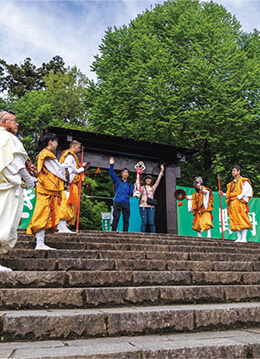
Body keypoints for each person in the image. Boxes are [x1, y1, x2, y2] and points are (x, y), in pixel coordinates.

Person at [0, 110, 37, 271]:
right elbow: (14, 164)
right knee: (3, 223)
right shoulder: (7, 138)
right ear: (4, 122)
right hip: (7, 187)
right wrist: (29, 180)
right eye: (14, 121)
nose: (17, 124)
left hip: (4, 185)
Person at [27, 133, 68, 250]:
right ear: (50, 142)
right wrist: (67, 173)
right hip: (46, 189)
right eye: (56, 141)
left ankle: (41, 242)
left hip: (50, 189)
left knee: (46, 214)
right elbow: (58, 170)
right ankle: (39, 243)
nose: (57, 143)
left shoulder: (46, 154)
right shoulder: (46, 154)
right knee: (42, 214)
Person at [219, 165, 253, 243]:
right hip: (232, 203)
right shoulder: (231, 184)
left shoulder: (243, 180)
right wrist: (223, 194)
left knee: (242, 218)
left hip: (239, 202)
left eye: (234, 170)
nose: (233, 172)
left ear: (239, 171)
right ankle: (239, 237)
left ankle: (244, 238)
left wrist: (240, 196)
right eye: (232, 171)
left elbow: (248, 190)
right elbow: (230, 194)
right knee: (234, 219)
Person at [58, 140, 86, 233]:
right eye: (78, 148)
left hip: (69, 183)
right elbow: (67, 168)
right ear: (74, 147)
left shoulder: (71, 156)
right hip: (67, 184)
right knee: (65, 205)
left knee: (68, 205)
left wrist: (81, 168)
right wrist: (79, 170)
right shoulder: (69, 156)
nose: (79, 150)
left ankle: (63, 226)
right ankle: (61, 226)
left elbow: (72, 169)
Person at [109, 157, 135, 232]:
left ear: (128, 175)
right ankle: (113, 232)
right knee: (116, 218)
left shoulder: (130, 184)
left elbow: (131, 194)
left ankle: (125, 234)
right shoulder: (117, 181)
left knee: (126, 220)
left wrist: (135, 191)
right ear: (122, 174)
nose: (125, 174)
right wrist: (111, 165)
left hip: (126, 203)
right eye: (124, 172)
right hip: (118, 201)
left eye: (127, 173)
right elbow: (111, 173)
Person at [138, 165, 164, 233]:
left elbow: (158, 180)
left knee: (151, 222)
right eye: (147, 179)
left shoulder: (153, 188)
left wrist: (161, 171)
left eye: (149, 179)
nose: (148, 180)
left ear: (151, 180)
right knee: (144, 222)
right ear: (145, 180)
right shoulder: (142, 187)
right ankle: (142, 236)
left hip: (151, 207)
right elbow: (138, 195)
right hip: (143, 206)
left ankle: (153, 236)